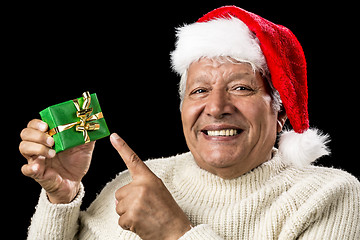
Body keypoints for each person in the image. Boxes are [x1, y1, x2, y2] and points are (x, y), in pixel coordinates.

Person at [19, 6, 359, 240]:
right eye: (200, 90)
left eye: (241, 88)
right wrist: (61, 199)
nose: (216, 107)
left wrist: (175, 231)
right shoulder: (135, 180)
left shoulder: (327, 195)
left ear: (279, 111)